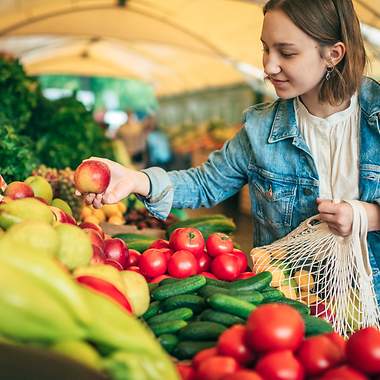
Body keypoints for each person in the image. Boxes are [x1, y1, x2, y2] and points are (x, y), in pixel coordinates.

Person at [79, 0, 380, 300]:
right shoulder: (261, 129)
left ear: (333, 54)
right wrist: (136, 180)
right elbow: (205, 182)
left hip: (372, 303)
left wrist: (366, 216)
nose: (269, 66)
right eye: (266, 48)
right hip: (288, 305)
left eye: (286, 53)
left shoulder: (374, 118)